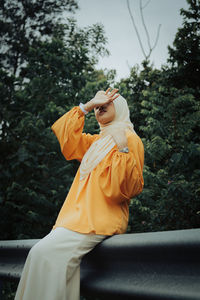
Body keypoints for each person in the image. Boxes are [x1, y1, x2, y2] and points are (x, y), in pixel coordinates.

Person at [15, 88, 144, 300]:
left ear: (120, 107)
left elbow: (126, 189)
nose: (100, 107)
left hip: (100, 219)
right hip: (75, 219)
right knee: (48, 260)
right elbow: (67, 138)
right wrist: (88, 105)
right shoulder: (96, 142)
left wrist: (122, 149)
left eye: (107, 104)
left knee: (43, 255)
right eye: (98, 106)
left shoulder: (129, 139)